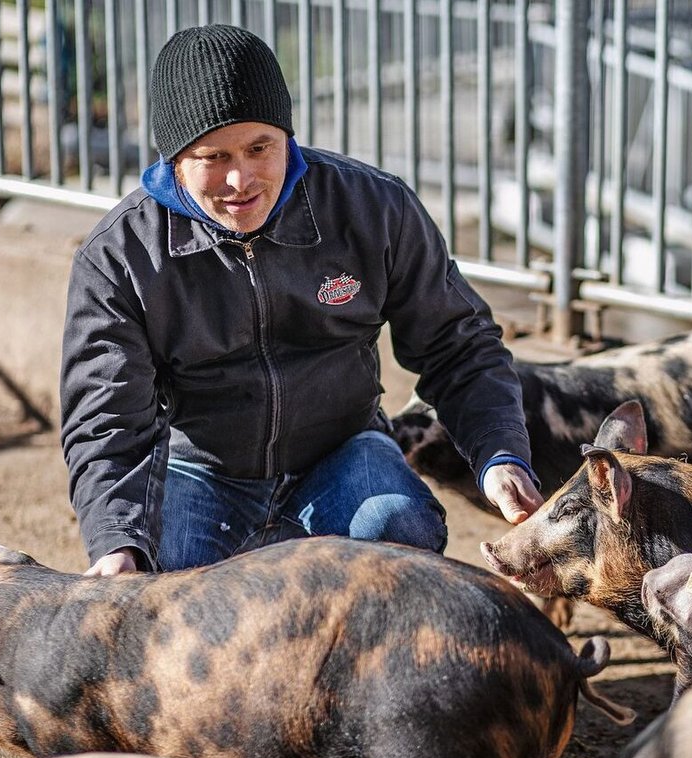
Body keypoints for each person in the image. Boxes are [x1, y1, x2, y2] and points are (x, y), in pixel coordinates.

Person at [61, 24, 542, 575]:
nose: (239, 178)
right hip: (202, 470)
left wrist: (498, 455)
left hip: (343, 453)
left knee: (399, 529)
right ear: (173, 158)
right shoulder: (120, 256)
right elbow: (106, 419)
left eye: (259, 147)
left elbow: (458, 344)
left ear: (287, 136)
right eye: (212, 156)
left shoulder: (373, 208)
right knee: (164, 581)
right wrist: (117, 541)